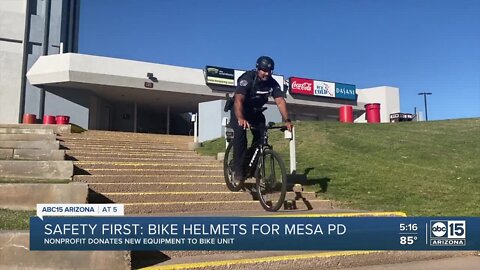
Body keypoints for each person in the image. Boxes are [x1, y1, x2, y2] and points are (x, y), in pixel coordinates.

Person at [230, 56, 293, 182]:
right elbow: (238, 99)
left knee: (262, 137)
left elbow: (280, 101)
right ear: (258, 69)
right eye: (264, 70)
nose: (267, 73)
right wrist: (241, 118)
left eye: (269, 71)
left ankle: (250, 165)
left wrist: (287, 120)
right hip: (240, 111)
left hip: (256, 112)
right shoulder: (247, 79)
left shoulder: (272, 83)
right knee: (241, 135)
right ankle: (237, 169)